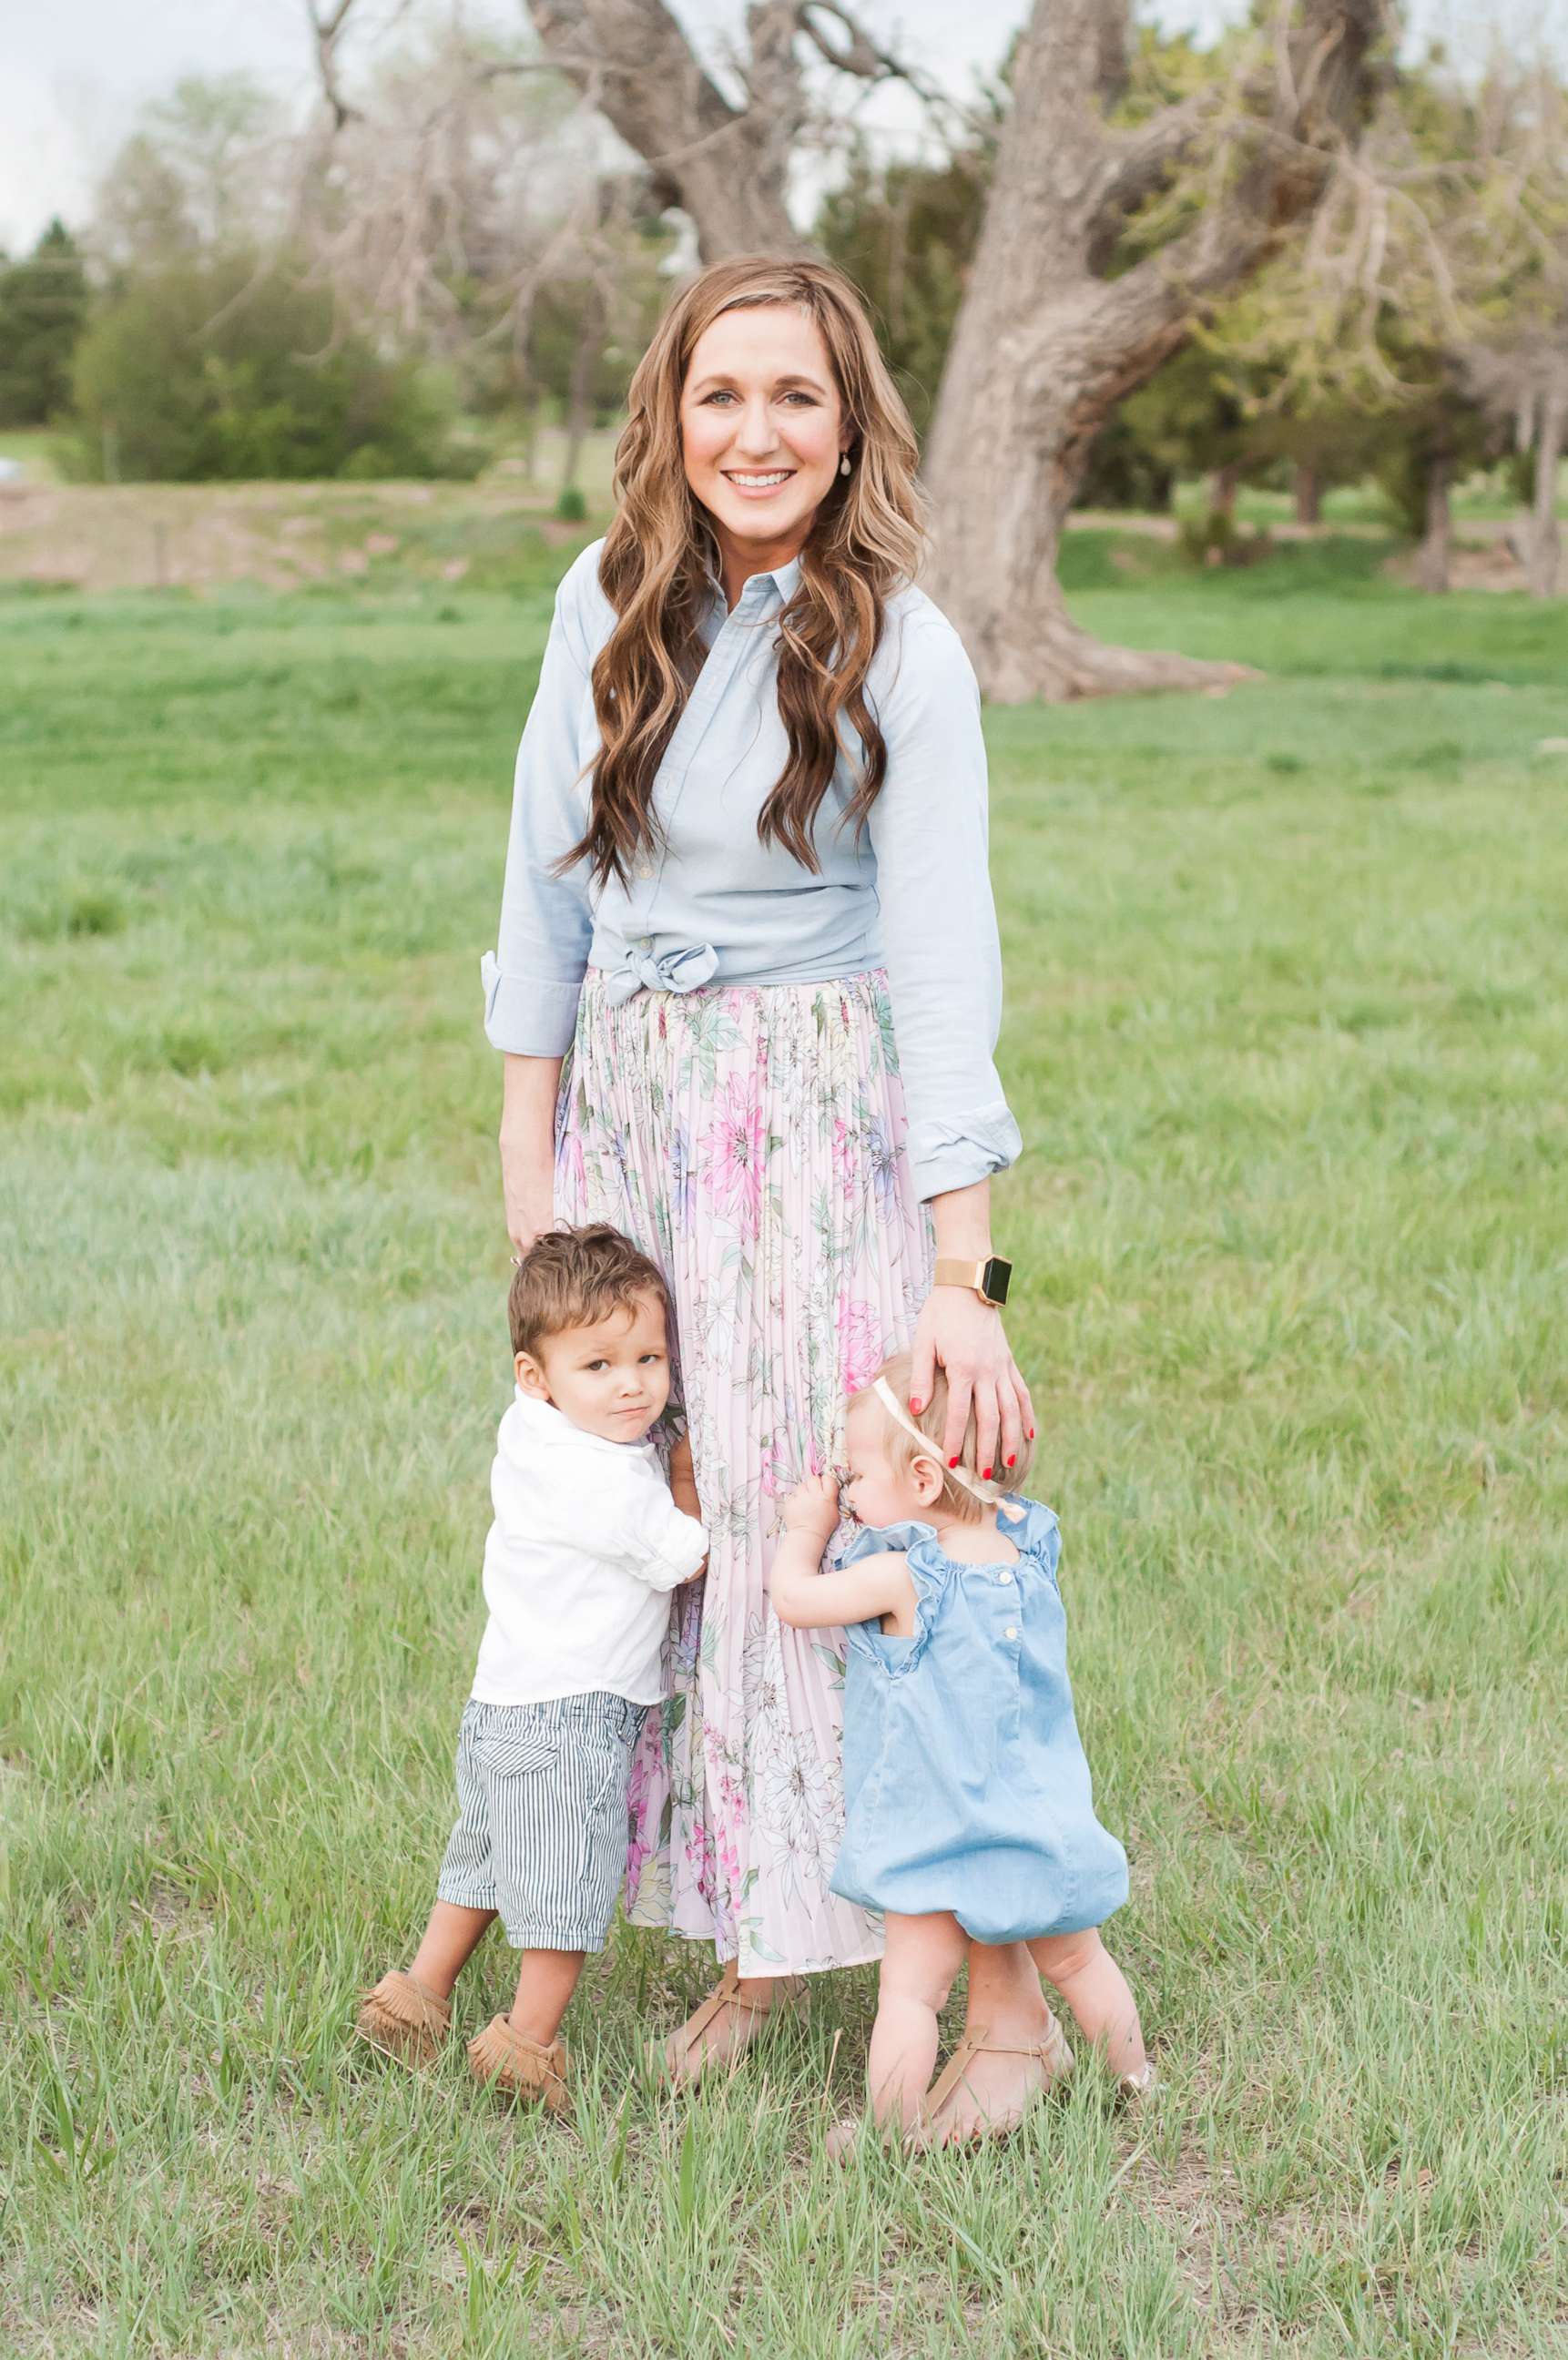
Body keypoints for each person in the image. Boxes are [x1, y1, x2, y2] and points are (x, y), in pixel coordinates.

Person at [483, 249, 1055, 2133]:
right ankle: (748, 1932)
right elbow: (540, 926)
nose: (755, 431)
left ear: (848, 421)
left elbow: (946, 963)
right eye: (721, 395)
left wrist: (964, 1274)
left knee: (836, 1514)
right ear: (671, 411)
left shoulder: (904, 642)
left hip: (819, 1122)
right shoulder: (601, 601)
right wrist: (534, 1237)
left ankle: (968, 1963)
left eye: (794, 397)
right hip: (636, 1129)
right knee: (680, 1515)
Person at [355, 1225, 708, 2111]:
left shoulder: (533, 1435)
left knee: (483, 1859)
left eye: (650, 1356)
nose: (632, 1383)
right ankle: (525, 2044)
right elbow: (681, 1555)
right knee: (566, 1884)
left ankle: (417, 1997)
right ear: (535, 1376)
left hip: (502, 1702)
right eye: (600, 1366)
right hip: (572, 1713)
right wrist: (687, 1475)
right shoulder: (608, 1481)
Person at [771, 1348, 1153, 2150]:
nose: (847, 1493)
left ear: (918, 1483)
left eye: (856, 1477)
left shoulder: (909, 1577)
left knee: (909, 1997)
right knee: (1080, 1965)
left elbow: (796, 1601)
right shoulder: (1030, 1551)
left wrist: (806, 1530)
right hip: (1035, 1829)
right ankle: (1135, 2078)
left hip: (934, 1836)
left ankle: (888, 2131)